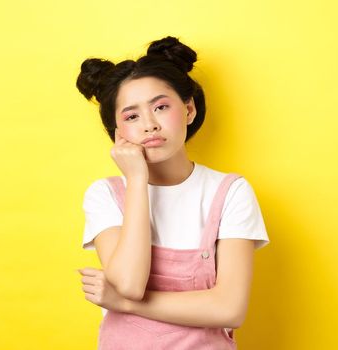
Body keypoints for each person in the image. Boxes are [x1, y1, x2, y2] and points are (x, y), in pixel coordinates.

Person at [74, 36, 270, 349]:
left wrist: (126, 305)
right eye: (132, 116)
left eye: (161, 107)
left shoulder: (230, 192)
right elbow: (128, 284)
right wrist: (137, 180)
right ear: (117, 132)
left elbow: (229, 309)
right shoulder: (105, 195)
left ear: (189, 109)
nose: (150, 125)